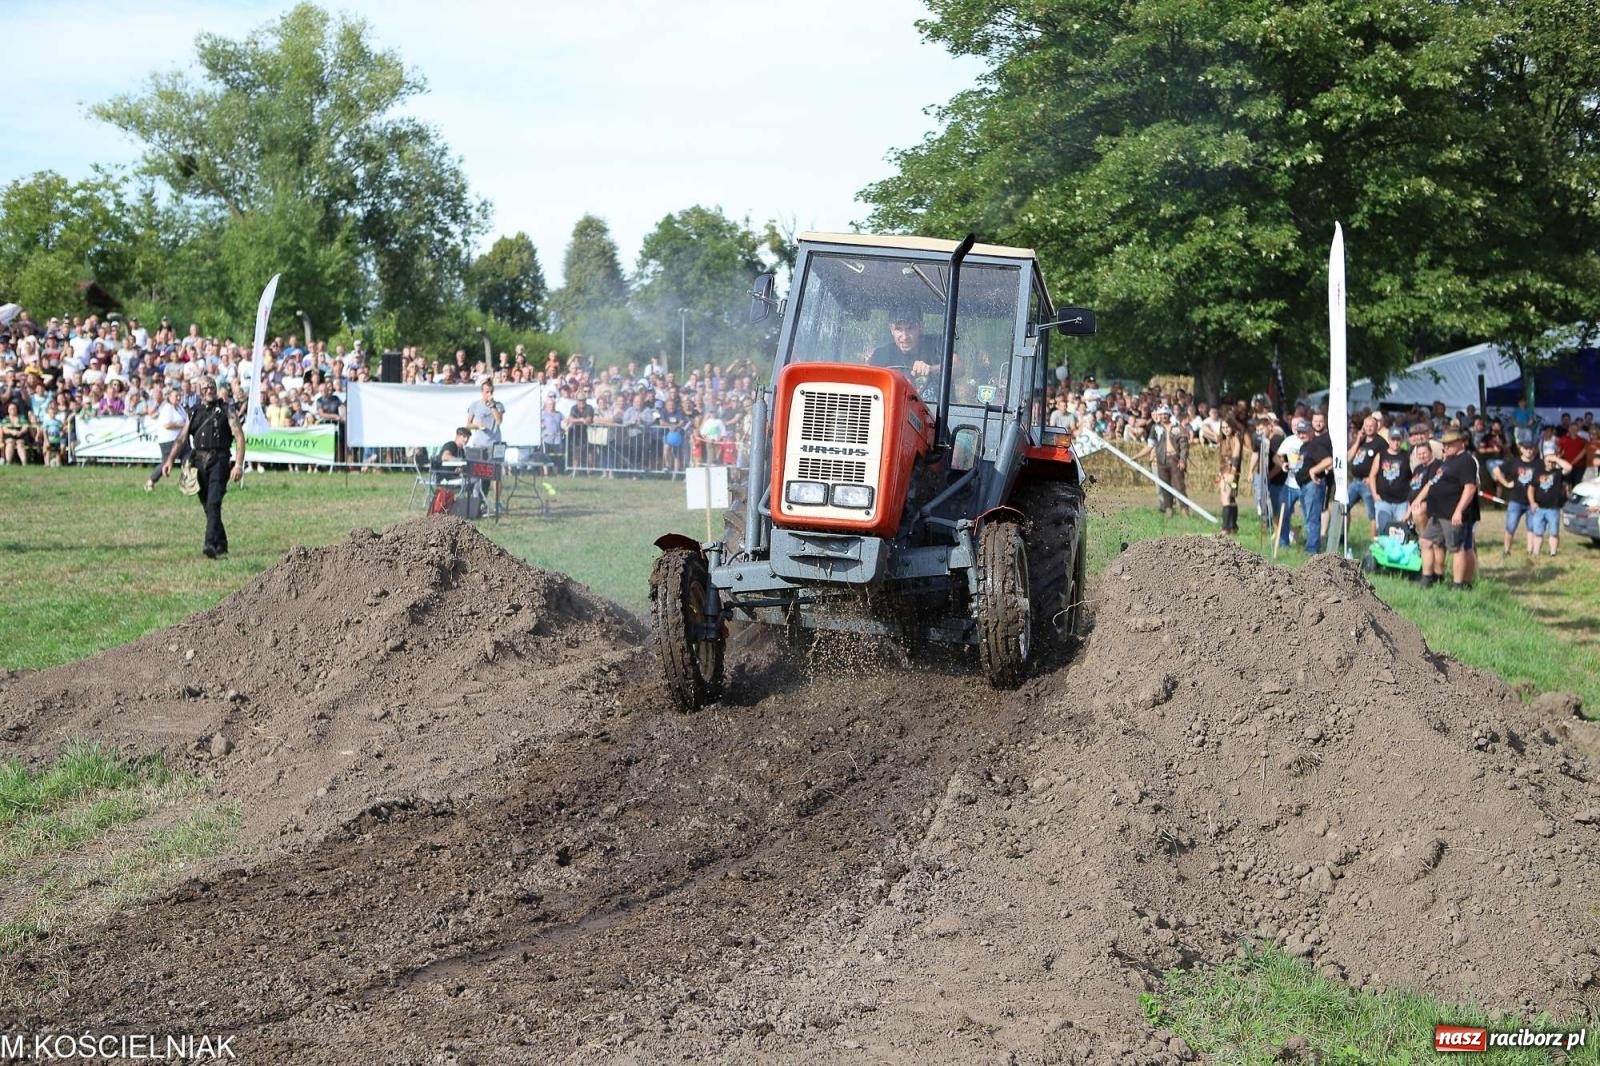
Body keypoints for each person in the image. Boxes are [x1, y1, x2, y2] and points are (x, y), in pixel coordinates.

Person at [162, 377, 245, 559]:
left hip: (220, 460)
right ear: (200, 391)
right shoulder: (194, 413)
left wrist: (238, 465)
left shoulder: (227, 410)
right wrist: (169, 460)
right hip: (199, 463)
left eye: (212, 387)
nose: (209, 390)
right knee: (208, 506)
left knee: (214, 502)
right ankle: (222, 543)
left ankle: (210, 544)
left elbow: (239, 436)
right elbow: (182, 438)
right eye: (205, 387)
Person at [1413, 429, 1479, 589]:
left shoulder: (1466, 460)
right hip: (1438, 513)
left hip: (1452, 513)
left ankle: (1459, 584)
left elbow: (1470, 488)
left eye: (1450, 444)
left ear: (1460, 443)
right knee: (1426, 541)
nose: (1446, 447)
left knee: (1457, 548)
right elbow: (1433, 482)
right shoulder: (1448, 460)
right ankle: (1428, 577)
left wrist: (1459, 511)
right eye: (1444, 444)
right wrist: (1419, 498)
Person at [1295, 416, 1335, 553]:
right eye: (1299, 432)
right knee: (1308, 518)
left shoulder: (1315, 445)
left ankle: (1312, 549)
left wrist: (1313, 470)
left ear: (1311, 432)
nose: (1301, 434)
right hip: (1304, 486)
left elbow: (1328, 461)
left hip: (1313, 486)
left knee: (1312, 518)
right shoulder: (1303, 447)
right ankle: (1311, 545)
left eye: (1304, 432)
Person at [1493, 440, 1540, 555]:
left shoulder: (1539, 463)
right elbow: (1496, 470)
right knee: (1510, 526)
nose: (1529, 451)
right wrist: (1505, 483)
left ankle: (1530, 551)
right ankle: (1506, 550)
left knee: (1532, 528)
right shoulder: (1514, 462)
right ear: (1521, 449)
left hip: (1533, 501)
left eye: (1531, 448)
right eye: (1526, 448)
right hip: (1516, 500)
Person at [866, 306, 942, 377]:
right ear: (891, 330)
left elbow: (953, 365)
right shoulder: (881, 354)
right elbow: (867, 377)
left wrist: (931, 369)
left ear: (921, 327)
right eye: (898, 329)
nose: (905, 337)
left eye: (910, 328)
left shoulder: (936, 344)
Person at [1528, 442, 1572, 557]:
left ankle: (1553, 553)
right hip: (1540, 508)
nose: (1551, 464)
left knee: (1553, 533)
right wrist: (1532, 502)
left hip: (1553, 508)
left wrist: (1556, 458)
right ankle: (1536, 553)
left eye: (1553, 462)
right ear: (1544, 461)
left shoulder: (1558, 473)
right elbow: (1531, 489)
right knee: (1537, 533)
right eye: (1549, 461)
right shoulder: (1538, 472)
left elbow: (1569, 467)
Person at [1368, 428, 1411, 536]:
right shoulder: (1381, 455)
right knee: (1383, 531)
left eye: (1398, 440)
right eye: (1393, 439)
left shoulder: (1407, 456)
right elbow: (1372, 475)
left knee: (1400, 533)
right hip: (1383, 500)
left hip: (1402, 501)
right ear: (1389, 440)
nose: (1396, 442)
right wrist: (1374, 494)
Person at [145, 385, 188, 491]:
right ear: (169, 397)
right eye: (176, 396)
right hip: (168, 441)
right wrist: (182, 425)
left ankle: (186, 482)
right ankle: (150, 481)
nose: (178, 398)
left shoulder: (180, 408)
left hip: (180, 440)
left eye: (179, 396)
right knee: (166, 463)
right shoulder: (167, 408)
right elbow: (167, 425)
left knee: (188, 459)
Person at [1346, 414, 1382, 538]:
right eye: (1366, 426)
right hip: (1355, 482)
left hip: (1368, 483)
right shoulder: (1360, 441)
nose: (1369, 428)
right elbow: (1348, 458)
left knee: (1372, 514)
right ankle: (1343, 537)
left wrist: (1373, 478)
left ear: (1377, 427)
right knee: (1344, 507)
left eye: (1371, 426)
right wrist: (1357, 441)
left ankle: (1373, 542)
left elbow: (1385, 463)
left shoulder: (1380, 443)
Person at [1216, 416, 1244, 533]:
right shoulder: (1223, 439)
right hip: (1224, 471)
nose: (1225, 429)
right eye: (1223, 427)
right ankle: (1233, 526)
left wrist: (1232, 472)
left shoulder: (1235, 438)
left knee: (1225, 498)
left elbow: (1236, 456)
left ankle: (1225, 528)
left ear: (1232, 426)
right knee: (1231, 498)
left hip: (1230, 472)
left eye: (1227, 427)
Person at [466, 378, 504, 449]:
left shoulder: (498, 405)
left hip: (495, 444)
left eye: (491, 392)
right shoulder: (474, 405)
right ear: (482, 392)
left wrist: (492, 405)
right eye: (487, 392)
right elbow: (468, 425)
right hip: (480, 444)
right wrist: (477, 426)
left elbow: (499, 421)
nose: (489, 394)